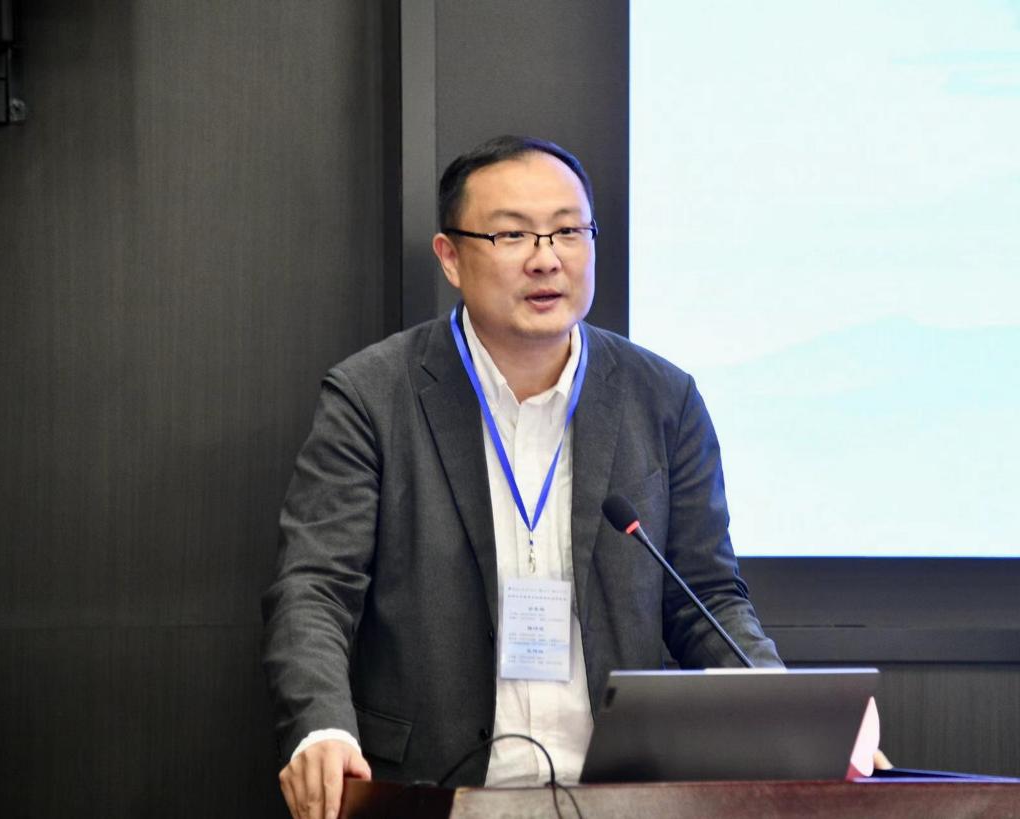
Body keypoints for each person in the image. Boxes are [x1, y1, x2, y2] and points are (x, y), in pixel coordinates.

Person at [261, 135, 782, 819]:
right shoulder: (373, 396)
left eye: (568, 231)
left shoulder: (663, 398)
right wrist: (322, 727)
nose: (546, 258)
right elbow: (315, 589)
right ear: (451, 256)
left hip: (620, 796)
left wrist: (789, 716)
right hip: (437, 792)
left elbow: (705, 598)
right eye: (512, 235)